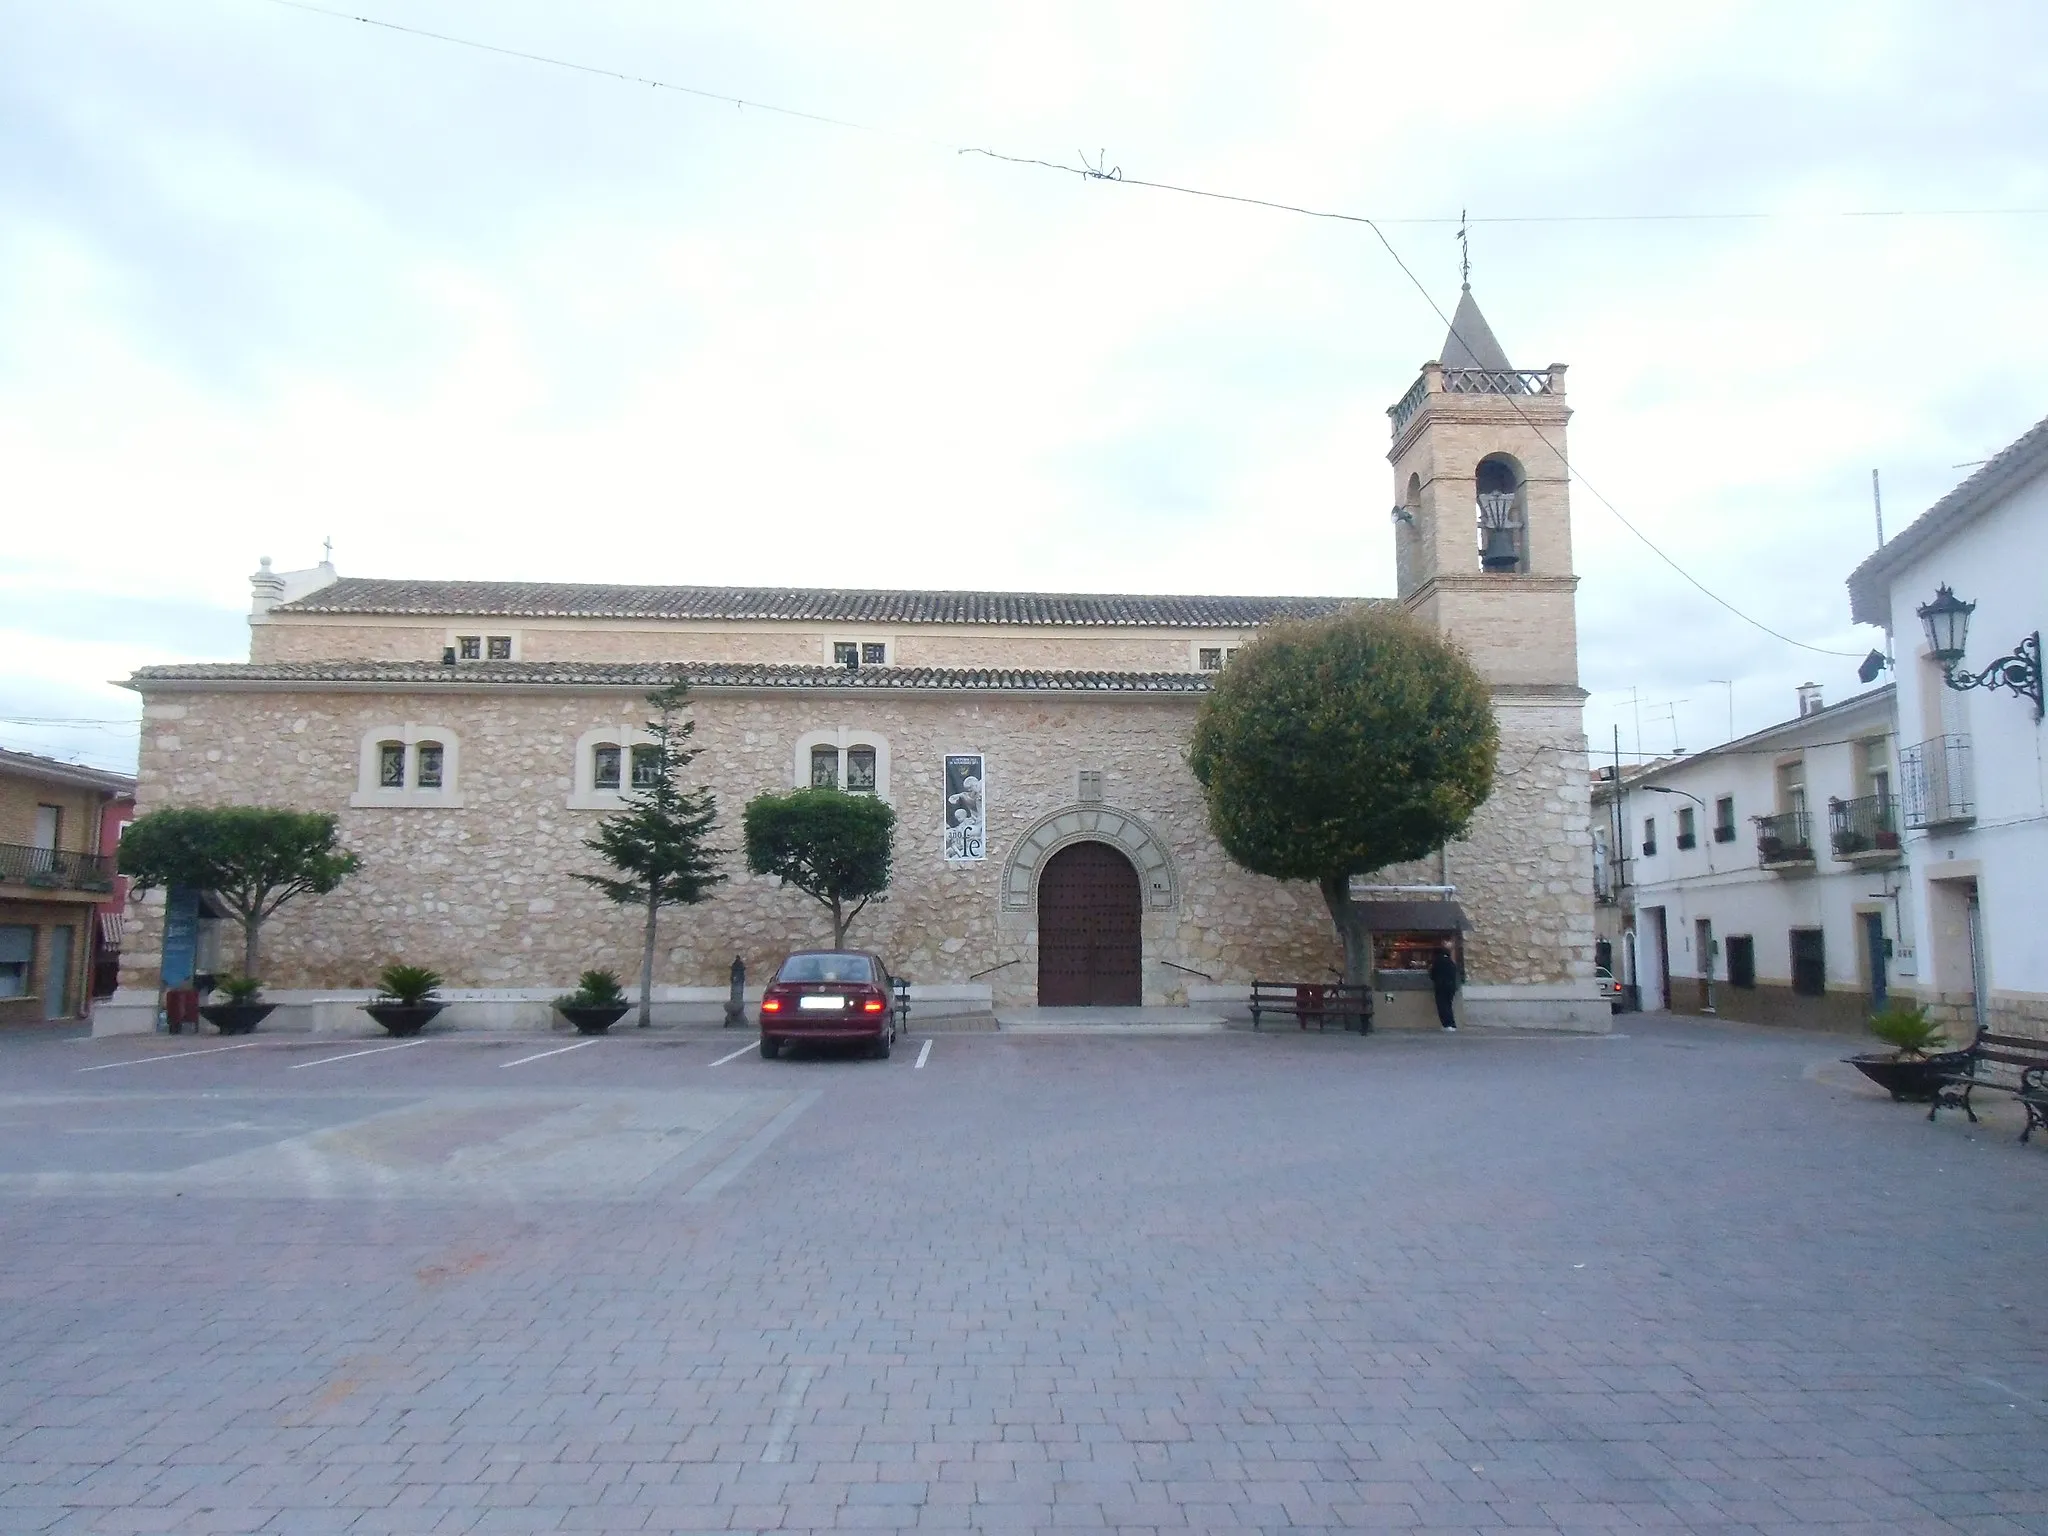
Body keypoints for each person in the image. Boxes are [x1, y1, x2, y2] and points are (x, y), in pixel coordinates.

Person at [1428, 947, 1460, 1032]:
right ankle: (1452, 1024)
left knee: (1442, 1006)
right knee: (1448, 1005)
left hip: (1441, 986)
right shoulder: (1451, 962)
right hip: (1451, 986)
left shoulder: (1437, 962)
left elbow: (1433, 975)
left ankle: (1447, 1024)